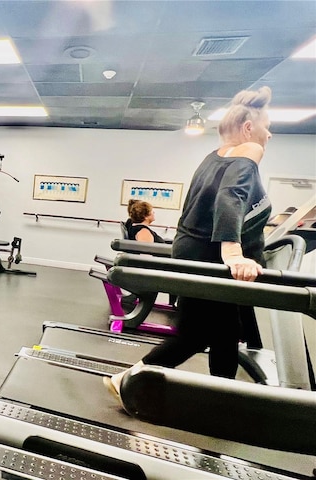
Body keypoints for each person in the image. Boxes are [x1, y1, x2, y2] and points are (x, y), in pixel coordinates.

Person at [105, 86, 273, 407]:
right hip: (212, 262)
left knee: (224, 333)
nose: (270, 135)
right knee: (198, 335)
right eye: (267, 126)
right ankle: (130, 379)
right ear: (249, 129)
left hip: (193, 253)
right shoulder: (250, 150)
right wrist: (234, 253)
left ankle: (221, 397)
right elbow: (230, 197)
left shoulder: (212, 157)